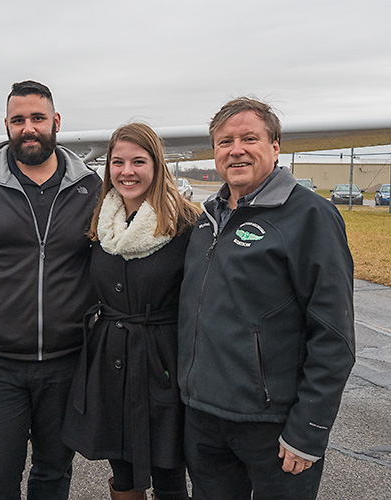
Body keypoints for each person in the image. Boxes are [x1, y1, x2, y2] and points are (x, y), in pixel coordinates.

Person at [177, 97, 356, 500]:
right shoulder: (205, 220)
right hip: (205, 418)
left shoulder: (310, 216)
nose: (235, 149)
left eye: (249, 138)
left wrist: (309, 429)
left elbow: (334, 335)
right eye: (225, 142)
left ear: (275, 146)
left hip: (273, 425)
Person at [0, 80, 101, 500]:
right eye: (18, 120)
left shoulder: (90, 186)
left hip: (66, 364)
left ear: (56, 122)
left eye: (38, 118)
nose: (28, 128)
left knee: (53, 473)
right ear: (7, 125)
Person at [62, 123, 199, 500]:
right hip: (110, 361)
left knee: (169, 472)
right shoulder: (101, 223)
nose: (127, 171)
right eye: (117, 162)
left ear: (156, 166)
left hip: (162, 362)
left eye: (138, 161)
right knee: (122, 472)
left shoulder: (185, 224)